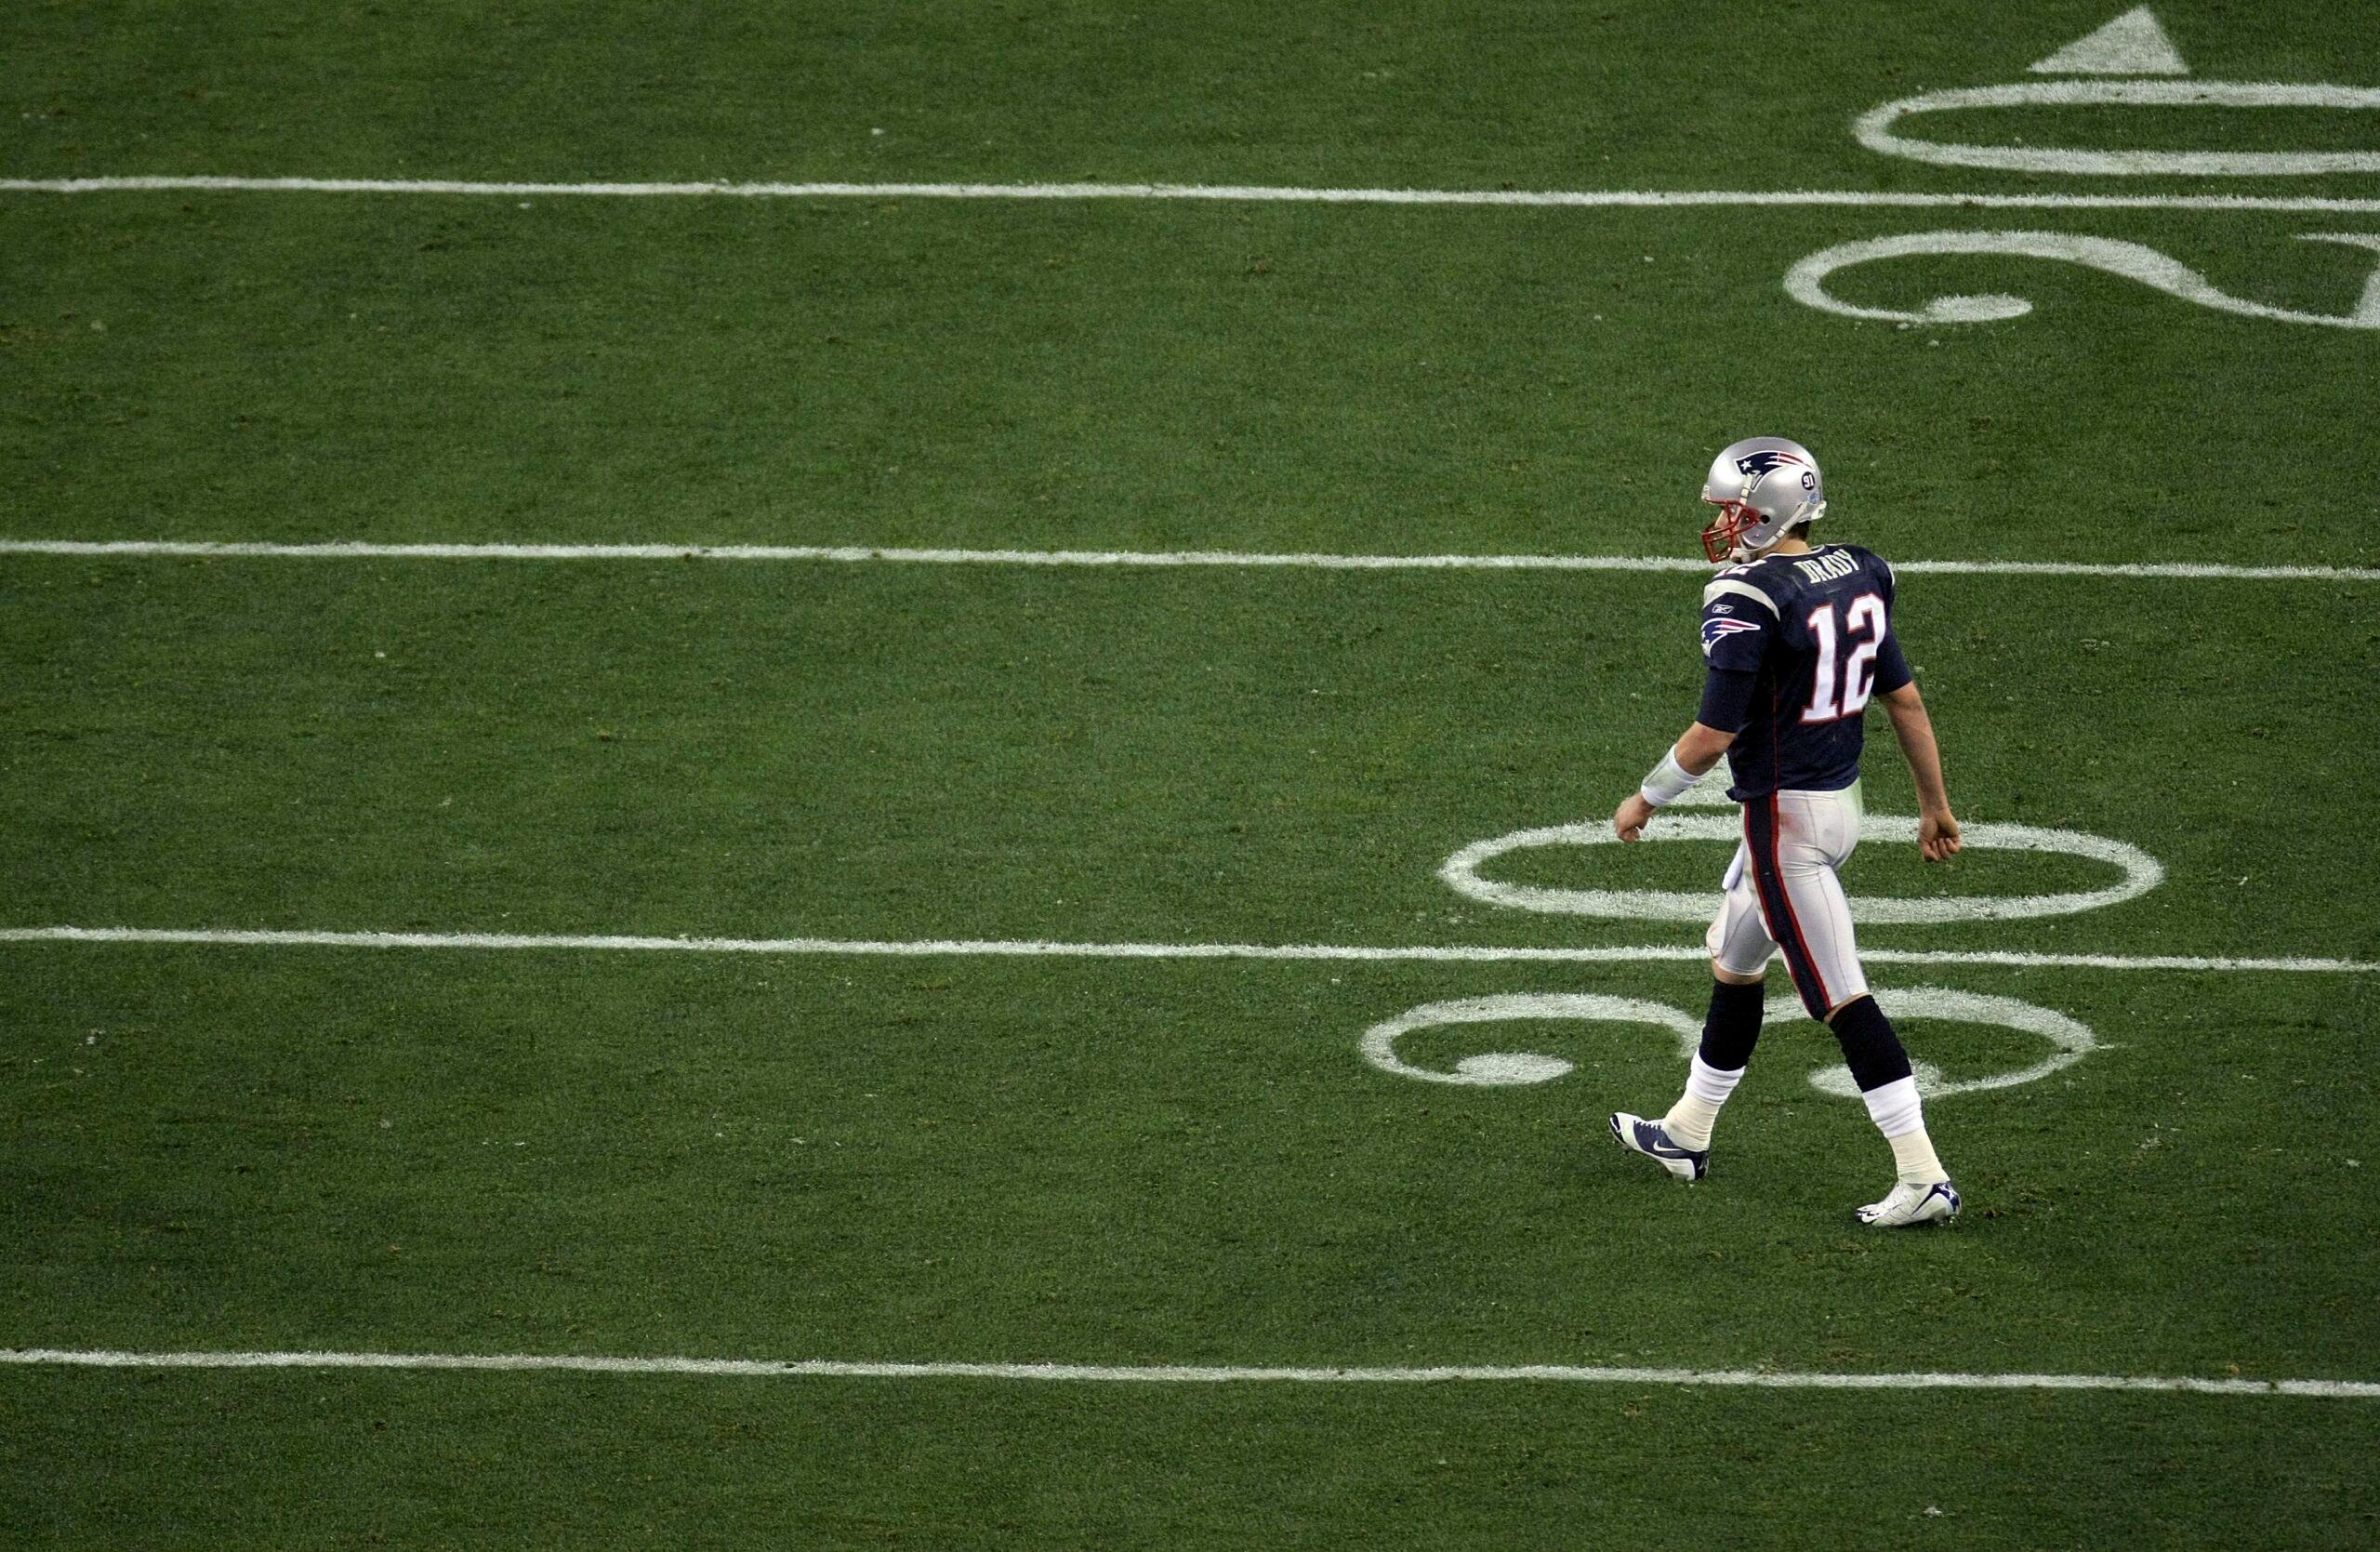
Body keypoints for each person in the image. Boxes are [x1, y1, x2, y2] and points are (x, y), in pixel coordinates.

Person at [1606, 436, 1965, 1227]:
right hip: (1839, 806)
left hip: (1785, 825)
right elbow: (1904, 699)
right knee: (1735, 960)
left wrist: (1646, 798)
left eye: (1733, 511)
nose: (1723, 525)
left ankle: (1922, 1173)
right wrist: (1933, 802)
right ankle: (1686, 1131)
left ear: (1769, 512)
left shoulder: (1748, 595)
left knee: (1842, 997)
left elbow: (1713, 735)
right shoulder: (1860, 571)